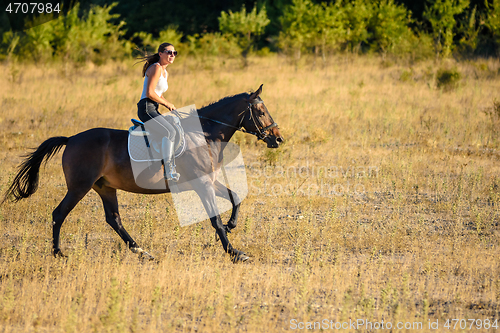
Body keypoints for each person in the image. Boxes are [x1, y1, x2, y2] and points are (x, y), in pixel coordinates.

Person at [137, 43, 180, 182]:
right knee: (170, 132)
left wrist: (169, 105)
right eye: (168, 52)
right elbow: (149, 93)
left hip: (154, 107)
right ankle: (168, 170)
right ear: (160, 54)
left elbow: (158, 93)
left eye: (174, 53)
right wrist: (166, 103)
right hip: (146, 108)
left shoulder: (165, 72)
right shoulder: (155, 68)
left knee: (175, 126)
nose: (171, 55)